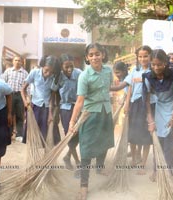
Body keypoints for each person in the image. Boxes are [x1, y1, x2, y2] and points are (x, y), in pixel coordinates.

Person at [69, 43, 114, 200]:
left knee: (105, 142)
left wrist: (127, 84)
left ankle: (100, 168)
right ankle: (84, 186)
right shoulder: (84, 76)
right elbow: (80, 101)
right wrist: (72, 122)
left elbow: (110, 88)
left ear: (103, 54)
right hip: (89, 115)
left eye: (97, 54)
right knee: (86, 150)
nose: (95, 57)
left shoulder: (108, 70)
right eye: (91, 55)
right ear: (87, 58)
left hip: (106, 112)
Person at [142, 49, 173, 182]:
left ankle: (169, 172)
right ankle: (156, 169)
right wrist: (150, 121)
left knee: (168, 142)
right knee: (157, 141)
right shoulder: (148, 77)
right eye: (153, 64)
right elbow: (147, 101)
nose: (156, 68)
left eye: (159, 64)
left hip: (172, 107)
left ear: (165, 63)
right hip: (159, 108)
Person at [123, 46, 155, 175]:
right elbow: (130, 87)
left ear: (150, 56)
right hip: (135, 104)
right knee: (133, 133)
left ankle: (143, 163)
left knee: (146, 134)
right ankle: (135, 158)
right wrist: (127, 103)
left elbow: (155, 87)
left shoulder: (155, 71)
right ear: (137, 57)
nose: (143, 59)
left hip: (148, 105)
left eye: (145, 56)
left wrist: (144, 79)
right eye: (140, 56)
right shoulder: (134, 71)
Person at [51, 53, 82, 173]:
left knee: (79, 135)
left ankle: (67, 156)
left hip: (79, 108)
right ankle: (77, 162)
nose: (69, 69)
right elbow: (53, 92)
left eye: (71, 66)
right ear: (61, 66)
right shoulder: (58, 76)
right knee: (70, 134)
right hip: (65, 109)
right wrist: (54, 109)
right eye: (66, 67)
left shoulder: (79, 74)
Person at [21, 55, 61, 144]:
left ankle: (46, 156)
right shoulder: (34, 73)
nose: (48, 74)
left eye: (51, 72)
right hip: (35, 107)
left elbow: (52, 97)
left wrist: (50, 113)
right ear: (42, 65)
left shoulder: (54, 78)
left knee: (47, 135)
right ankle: (35, 155)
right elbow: (22, 90)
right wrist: (25, 102)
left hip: (47, 108)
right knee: (33, 135)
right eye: (46, 70)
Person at [3, 56, 28, 141]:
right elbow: (3, 83)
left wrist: (27, 97)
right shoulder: (8, 71)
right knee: (9, 114)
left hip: (20, 95)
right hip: (9, 95)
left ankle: (19, 135)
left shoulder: (25, 73)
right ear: (13, 62)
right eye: (15, 60)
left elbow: (27, 87)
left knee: (19, 115)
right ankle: (8, 134)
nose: (17, 62)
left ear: (22, 62)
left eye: (19, 60)